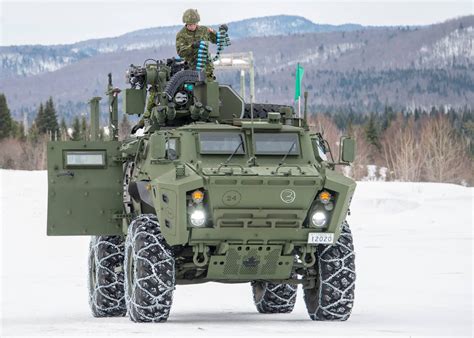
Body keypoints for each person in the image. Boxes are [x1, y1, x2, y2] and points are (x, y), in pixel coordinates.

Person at [176, 8, 228, 81]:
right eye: (190, 25)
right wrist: (192, 46)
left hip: (207, 69)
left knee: (210, 90)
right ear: (186, 23)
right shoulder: (181, 35)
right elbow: (181, 53)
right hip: (191, 70)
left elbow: (218, 40)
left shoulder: (204, 30)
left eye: (194, 24)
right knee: (195, 91)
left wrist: (222, 32)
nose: (192, 26)